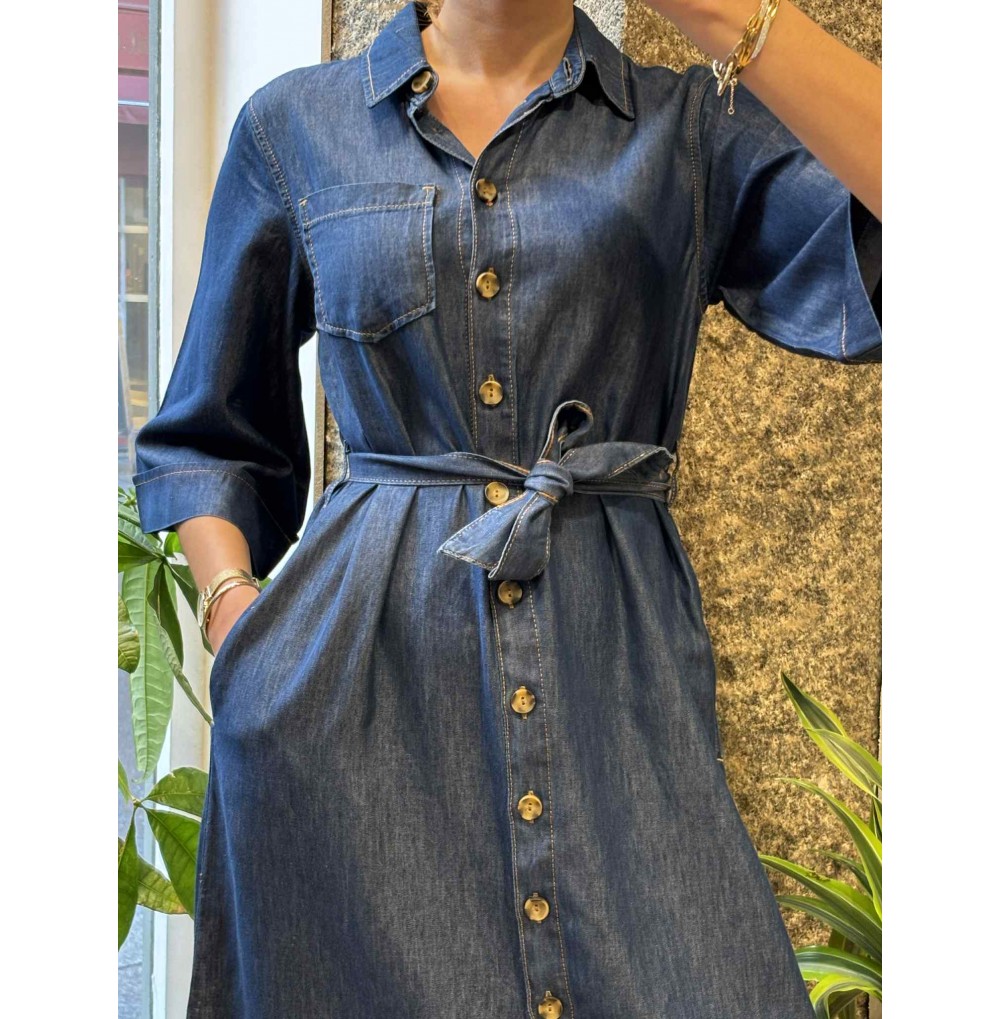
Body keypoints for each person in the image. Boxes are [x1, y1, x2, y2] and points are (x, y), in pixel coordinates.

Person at [132, 1, 881, 1015]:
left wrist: (728, 15)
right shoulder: (295, 126)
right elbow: (210, 434)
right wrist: (237, 617)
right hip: (350, 720)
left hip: (617, 691)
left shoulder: (686, 129)